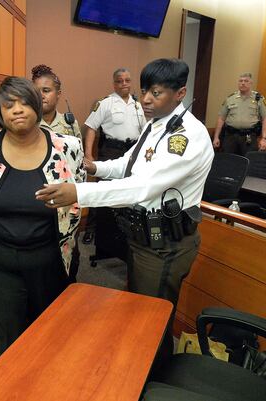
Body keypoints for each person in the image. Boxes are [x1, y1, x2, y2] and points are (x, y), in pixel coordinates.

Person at [36, 59, 214, 362]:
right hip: (142, 238)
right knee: (140, 314)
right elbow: (129, 164)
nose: (145, 99)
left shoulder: (186, 137)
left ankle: (155, 380)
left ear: (180, 93)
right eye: (145, 91)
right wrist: (94, 166)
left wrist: (78, 192)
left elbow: (141, 186)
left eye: (155, 93)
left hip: (164, 246)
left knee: (152, 320)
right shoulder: (157, 123)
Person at [0, 76, 85, 360]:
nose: (16, 110)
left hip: (51, 260)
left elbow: (82, 200)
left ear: (36, 105)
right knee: (7, 341)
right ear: (0, 111)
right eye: (8, 105)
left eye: (23, 103)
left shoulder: (68, 147)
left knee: (47, 336)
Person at [81, 68, 147, 244]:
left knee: (128, 190)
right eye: (120, 81)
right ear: (114, 83)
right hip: (111, 150)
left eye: (127, 80)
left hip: (132, 151)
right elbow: (91, 128)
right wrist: (88, 153)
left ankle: (122, 231)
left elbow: (145, 130)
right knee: (102, 190)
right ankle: (91, 229)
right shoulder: (105, 103)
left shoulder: (137, 105)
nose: (124, 84)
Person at [31, 64, 82, 282]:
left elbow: (78, 164)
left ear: (58, 94)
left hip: (66, 201)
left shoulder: (69, 124)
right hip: (38, 198)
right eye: (36, 91)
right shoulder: (27, 123)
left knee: (70, 258)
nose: (41, 96)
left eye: (46, 90)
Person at [212, 72, 266, 155]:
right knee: (228, 161)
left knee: (248, 162)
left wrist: (264, 138)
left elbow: (265, 119)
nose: (243, 83)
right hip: (231, 137)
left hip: (249, 138)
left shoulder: (259, 99)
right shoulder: (230, 98)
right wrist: (216, 137)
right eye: (240, 81)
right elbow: (221, 118)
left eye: (246, 81)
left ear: (251, 83)